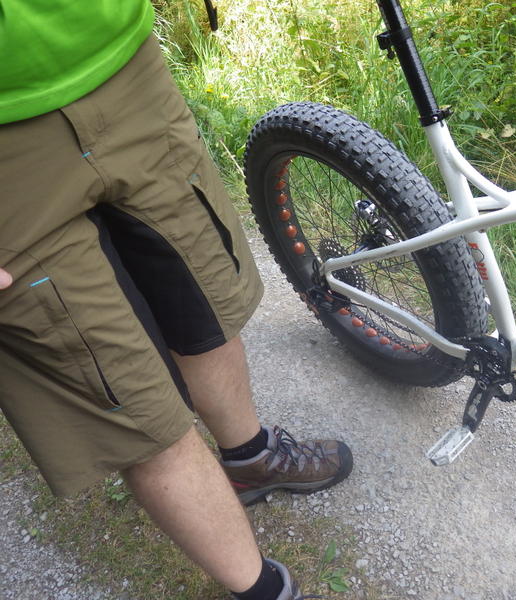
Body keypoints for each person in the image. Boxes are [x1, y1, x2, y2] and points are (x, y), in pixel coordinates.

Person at [0, 2, 352, 599]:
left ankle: (251, 459)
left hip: (121, 62)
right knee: (128, 400)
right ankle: (265, 592)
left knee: (201, 299)